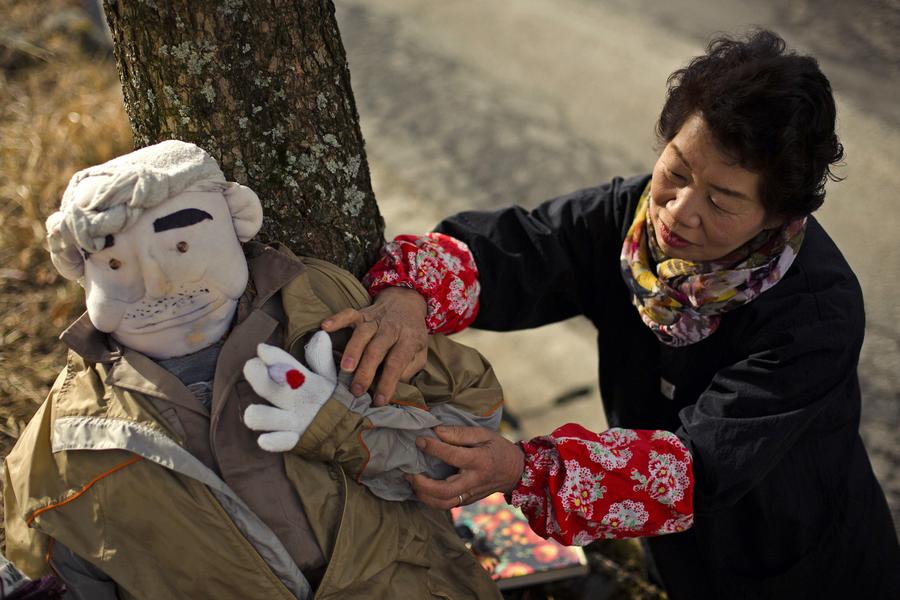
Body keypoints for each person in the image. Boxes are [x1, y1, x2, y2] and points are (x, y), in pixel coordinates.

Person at [322, 30, 900, 598]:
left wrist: (523, 469)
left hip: (797, 565)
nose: (678, 210)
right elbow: (519, 253)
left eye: (721, 201)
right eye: (677, 170)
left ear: (776, 215)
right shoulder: (631, 223)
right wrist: (410, 293)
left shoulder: (814, 314)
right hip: (673, 553)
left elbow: (702, 465)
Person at [3, 140, 504, 599]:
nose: (160, 285)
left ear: (236, 221)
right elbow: (53, 564)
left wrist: (341, 427)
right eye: (117, 265)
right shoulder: (71, 433)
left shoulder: (323, 310)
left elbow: (471, 445)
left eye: (181, 248)